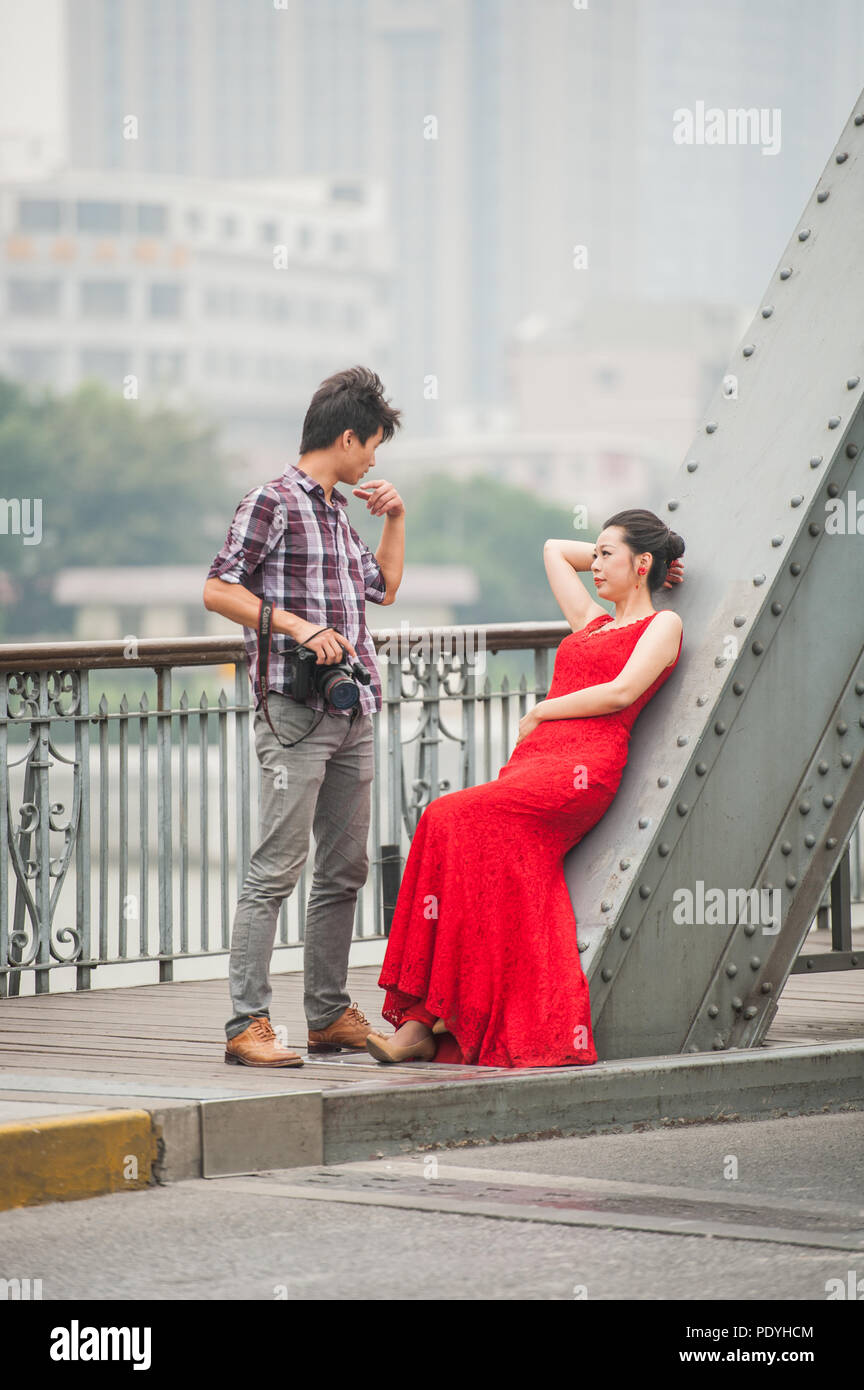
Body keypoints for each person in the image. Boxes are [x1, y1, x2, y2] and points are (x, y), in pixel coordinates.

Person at [365, 509, 685, 1069]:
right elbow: (553, 549)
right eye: (598, 553)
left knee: (449, 815)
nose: (595, 566)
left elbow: (621, 692)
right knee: (450, 826)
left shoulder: (662, 626)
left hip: (582, 769)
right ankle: (421, 1019)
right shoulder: (590, 621)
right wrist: (622, 556)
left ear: (642, 565)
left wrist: (544, 707)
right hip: (533, 763)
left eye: (609, 555)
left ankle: (425, 1021)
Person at [203, 366, 406, 1066]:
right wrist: (294, 626)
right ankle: (246, 1025)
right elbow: (217, 588)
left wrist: (396, 518)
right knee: (276, 869)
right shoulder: (273, 502)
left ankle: (326, 1016)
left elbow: (384, 587)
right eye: (372, 445)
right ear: (347, 437)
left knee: (345, 870)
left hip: (355, 711)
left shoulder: (338, 513)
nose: (374, 460)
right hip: (293, 711)